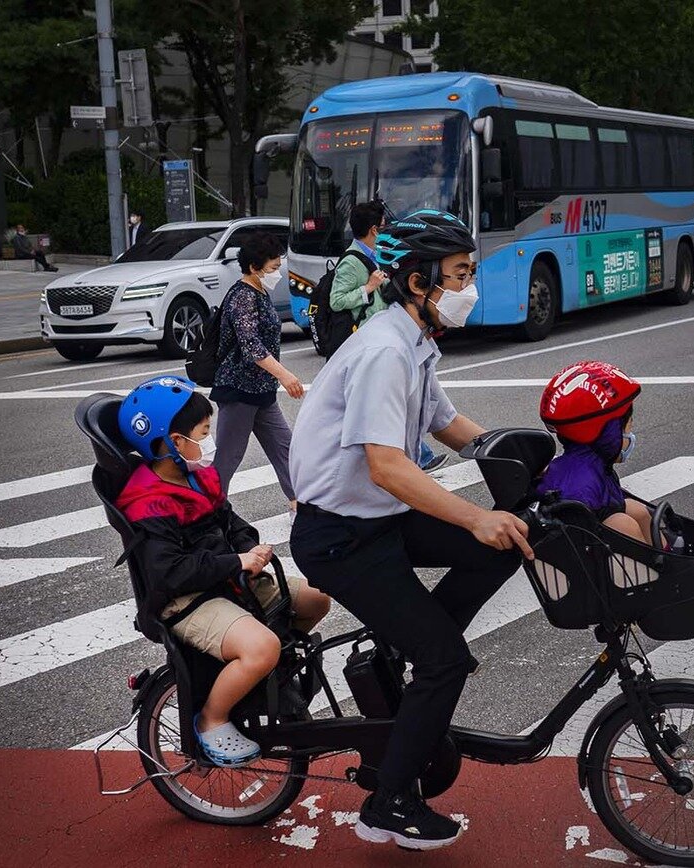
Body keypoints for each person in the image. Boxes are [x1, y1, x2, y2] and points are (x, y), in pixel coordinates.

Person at [288, 209, 529, 851]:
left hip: (378, 522)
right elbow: (388, 467)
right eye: (459, 274)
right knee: (446, 658)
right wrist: (477, 512)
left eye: (470, 272)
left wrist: (533, 460)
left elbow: (449, 424)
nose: (469, 287)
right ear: (419, 282)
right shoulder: (384, 351)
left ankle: (410, 647)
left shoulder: (415, 342)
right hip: (340, 537)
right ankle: (388, 804)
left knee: (502, 546)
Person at [115, 375, 330, 766]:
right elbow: (170, 573)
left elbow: (230, 522)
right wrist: (235, 562)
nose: (210, 440)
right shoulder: (149, 502)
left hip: (223, 578)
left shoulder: (197, 476)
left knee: (317, 600)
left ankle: (269, 670)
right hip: (187, 599)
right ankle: (211, 719)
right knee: (261, 648)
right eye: (204, 432)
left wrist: (249, 547)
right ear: (176, 443)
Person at [329, 201, 446, 473]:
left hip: (385, 332)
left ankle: (418, 455)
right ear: (373, 229)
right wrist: (368, 288)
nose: (385, 231)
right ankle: (416, 457)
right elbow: (336, 301)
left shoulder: (375, 255)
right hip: (365, 338)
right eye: (382, 227)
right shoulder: (352, 261)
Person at [211, 232, 303, 509]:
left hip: (260, 390)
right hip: (239, 388)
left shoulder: (259, 291)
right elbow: (251, 345)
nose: (278, 272)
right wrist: (285, 375)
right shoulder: (242, 296)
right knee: (227, 458)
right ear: (254, 267)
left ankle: (301, 504)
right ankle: (206, 514)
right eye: (274, 268)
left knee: (286, 450)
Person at [537, 361, 651, 542]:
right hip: (594, 557)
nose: (629, 435)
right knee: (623, 524)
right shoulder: (586, 482)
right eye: (627, 428)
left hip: (587, 530)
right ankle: (664, 567)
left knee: (638, 512)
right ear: (608, 433)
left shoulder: (573, 466)